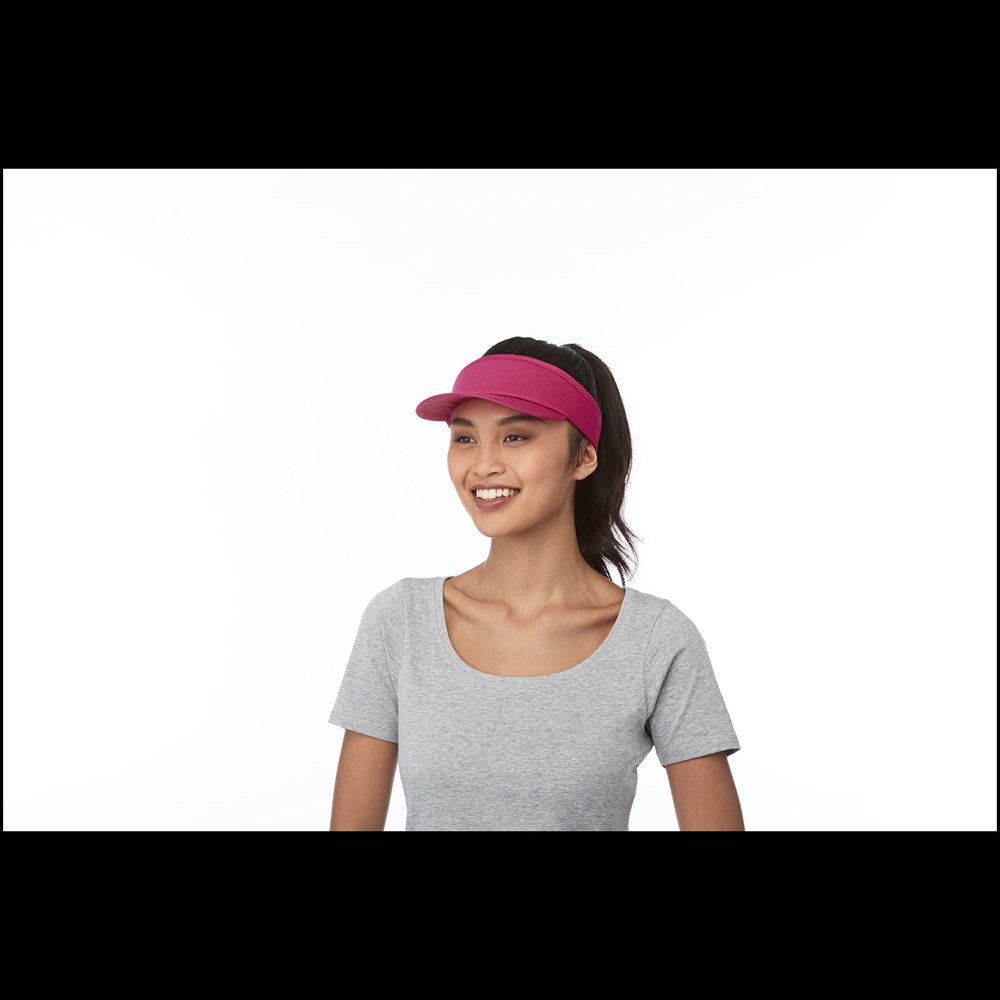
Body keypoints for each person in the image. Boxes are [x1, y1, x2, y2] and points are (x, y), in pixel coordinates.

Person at [327, 337, 744, 831]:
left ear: (583, 457)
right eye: (465, 438)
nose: (482, 465)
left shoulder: (655, 641)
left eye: (515, 437)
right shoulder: (401, 622)